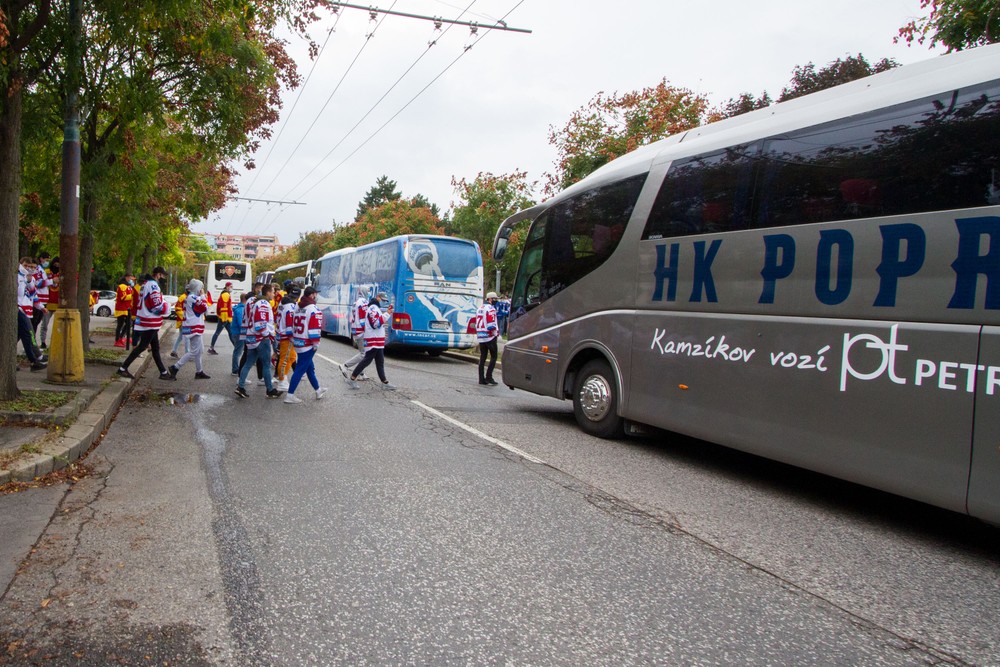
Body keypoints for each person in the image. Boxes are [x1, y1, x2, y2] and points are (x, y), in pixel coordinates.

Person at [117, 267, 173, 381]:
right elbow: (155, 304)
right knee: (143, 346)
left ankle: (163, 372)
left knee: (155, 347)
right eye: (162, 275)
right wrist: (166, 307)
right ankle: (123, 368)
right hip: (150, 320)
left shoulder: (145, 284)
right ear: (158, 274)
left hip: (147, 319)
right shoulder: (153, 285)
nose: (163, 278)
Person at [236, 282, 283, 399]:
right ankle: (270, 390)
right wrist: (267, 335)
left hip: (252, 337)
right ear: (268, 293)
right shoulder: (263, 304)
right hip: (261, 338)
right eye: (273, 292)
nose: (274, 294)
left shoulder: (255, 302)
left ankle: (240, 386)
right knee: (266, 365)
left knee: (248, 363)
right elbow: (260, 324)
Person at [284, 286, 327, 403]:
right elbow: (314, 329)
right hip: (307, 343)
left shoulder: (297, 306)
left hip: (298, 340)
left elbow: (291, 323)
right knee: (300, 369)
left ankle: (318, 390)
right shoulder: (314, 309)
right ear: (312, 295)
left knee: (309, 368)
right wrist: (316, 343)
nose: (316, 296)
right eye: (316, 294)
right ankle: (290, 395)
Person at [347, 293, 395, 390]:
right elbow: (375, 324)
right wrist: (387, 314)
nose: (383, 302)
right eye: (382, 300)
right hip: (373, 340)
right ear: (378, 297)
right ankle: (352, 378)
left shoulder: (375, 308)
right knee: (367, 360)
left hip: (377, 340)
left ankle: (384, 382)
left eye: (385, 301)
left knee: (380, 361)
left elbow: (378, 322)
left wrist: (387, 313)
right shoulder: (373, 308)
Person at [168, 279, 210, 380]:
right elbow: (205, 308)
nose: (202, 290)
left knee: (199, 350)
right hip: (193, 327)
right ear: (197, 288)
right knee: (195, 351)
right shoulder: (193, 297)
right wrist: (203, 296)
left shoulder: (191, 297)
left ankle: (199, 371)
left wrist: (202, 297)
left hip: (194, 327)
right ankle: (175, 367)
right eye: (201, 287)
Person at [273, 281, 299, 391]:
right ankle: (282, 380)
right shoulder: (290, 307)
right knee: (284, 360)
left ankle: (283, 378)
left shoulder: (282, 303)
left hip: (281, 333)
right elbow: (289, 324)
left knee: (291, 357)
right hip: (286, 336)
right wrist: (292, 337)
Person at [341, 288, 369, 378]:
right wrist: (367, 329)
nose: (368, 293)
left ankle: (361, 372)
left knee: (363, 352)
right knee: (363, 353)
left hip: (355, 329)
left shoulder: (356, 302)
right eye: (367, 292)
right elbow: (363, 319)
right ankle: (345, 365)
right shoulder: (364, 303)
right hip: (361, 330)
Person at [476, 291, 500, 385]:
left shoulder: (480, 308)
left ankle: (481, 379)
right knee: (494, 356)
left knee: (483, 357)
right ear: (490, 299)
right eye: (495, 299)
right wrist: (495, 333)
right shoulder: (491, 309)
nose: (496, 301)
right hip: (489, 336)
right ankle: (489, 377)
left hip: (481, 335)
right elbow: (491, 324)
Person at [208, 281, 233, 354]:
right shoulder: (226, 294)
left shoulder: (224, 294)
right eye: (231, 287)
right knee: (219, 332)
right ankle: (211, 347)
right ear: (227, 287)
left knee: (230, 333)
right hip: (224, 318)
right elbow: (224, 307)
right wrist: (225, 318)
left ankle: (237, 348)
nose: (232, 288)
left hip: (224, 317)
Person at [113, 273, 136, 347]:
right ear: (126, 277)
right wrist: (132, 295)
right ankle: (118, 340)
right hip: (121, 309)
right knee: (121, 324)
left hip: (127, 308)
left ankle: (122, 337)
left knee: (128, 323)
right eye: (130, 278)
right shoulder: (122, 286)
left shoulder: (128, 286)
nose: (131, 280)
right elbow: (123, 297)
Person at [230, 292, 249, 375]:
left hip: (236, 332)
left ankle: (235, 368)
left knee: (237, 351)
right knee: (238, 352)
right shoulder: (241, 309)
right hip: (239, 333)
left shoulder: (238, 308)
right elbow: (241, 323)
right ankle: (235, 369)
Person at [169, 287, 190, 358]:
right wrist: (185, 317)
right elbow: (177, 309)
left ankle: (174, 351)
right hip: (183, 321)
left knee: (181, 337)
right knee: (187, 336)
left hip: (183, 320)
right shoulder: (183, 297)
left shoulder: (185, 297)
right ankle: (187, 353)